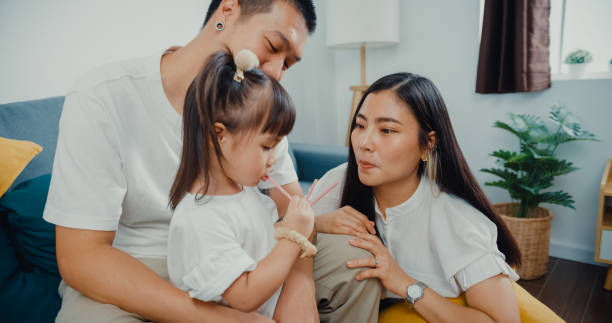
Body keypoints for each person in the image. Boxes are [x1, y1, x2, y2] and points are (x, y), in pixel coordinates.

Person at [42, 1, 336, 322]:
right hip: (131, 270)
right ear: (227, 11)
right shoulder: (101, 96)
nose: (276, 73)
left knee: (352, 259)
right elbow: (81, 258)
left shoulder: (258, 109)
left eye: (288, 64)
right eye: (273, 46)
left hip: (240, 262)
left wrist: (300, 285)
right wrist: (218, 318)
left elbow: (292, 211)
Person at [310, 72, 522, 322]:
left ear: (427, 144)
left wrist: (405, 284)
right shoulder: (339, 181)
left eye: (387, 130)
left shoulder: (460, 223)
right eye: (360, 125)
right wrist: (315, 224)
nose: (365, 142)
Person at [166, 50, 316, 320]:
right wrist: (294, 238)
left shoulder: (246, 194)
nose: (274, 161)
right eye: (267, 146)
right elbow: (245, 295)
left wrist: (289, 226)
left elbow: (259, 245)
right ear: (219, 136)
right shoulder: (200, 219)